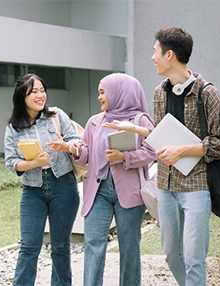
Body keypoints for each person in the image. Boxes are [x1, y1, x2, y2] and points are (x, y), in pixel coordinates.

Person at [102, 27, 220, 285]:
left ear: (169, 54)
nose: (152, 57)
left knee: (194, 258)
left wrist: (182, 150)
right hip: (166, 187)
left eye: (155, 51)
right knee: (172, 256)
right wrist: (136, 128)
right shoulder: (159, 93)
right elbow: (161, 135)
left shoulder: (207, 94)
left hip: (196, 188)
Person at [69, 73, 157, 286]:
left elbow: (153, 150)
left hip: (129, 193)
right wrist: (77, 150)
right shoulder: (94, 121)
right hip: (97, 192)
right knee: (93, 244)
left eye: (103, 92)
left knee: (129, 246)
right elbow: (87, 152)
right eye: (99, 92)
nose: (100, 97)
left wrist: (124, 157)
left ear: (119, 93)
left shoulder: (140, 120)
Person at [4, 73, 81, 285]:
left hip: (63, 185)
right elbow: (11, 162)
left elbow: (76, 141)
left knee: (60, 246)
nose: (40, 95)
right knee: (29, 245)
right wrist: (34, 164)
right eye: (34, 92)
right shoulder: (13, 127)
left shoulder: (57, 115)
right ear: (22, 96)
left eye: (42, 90)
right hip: (32, 190)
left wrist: (65, 146)